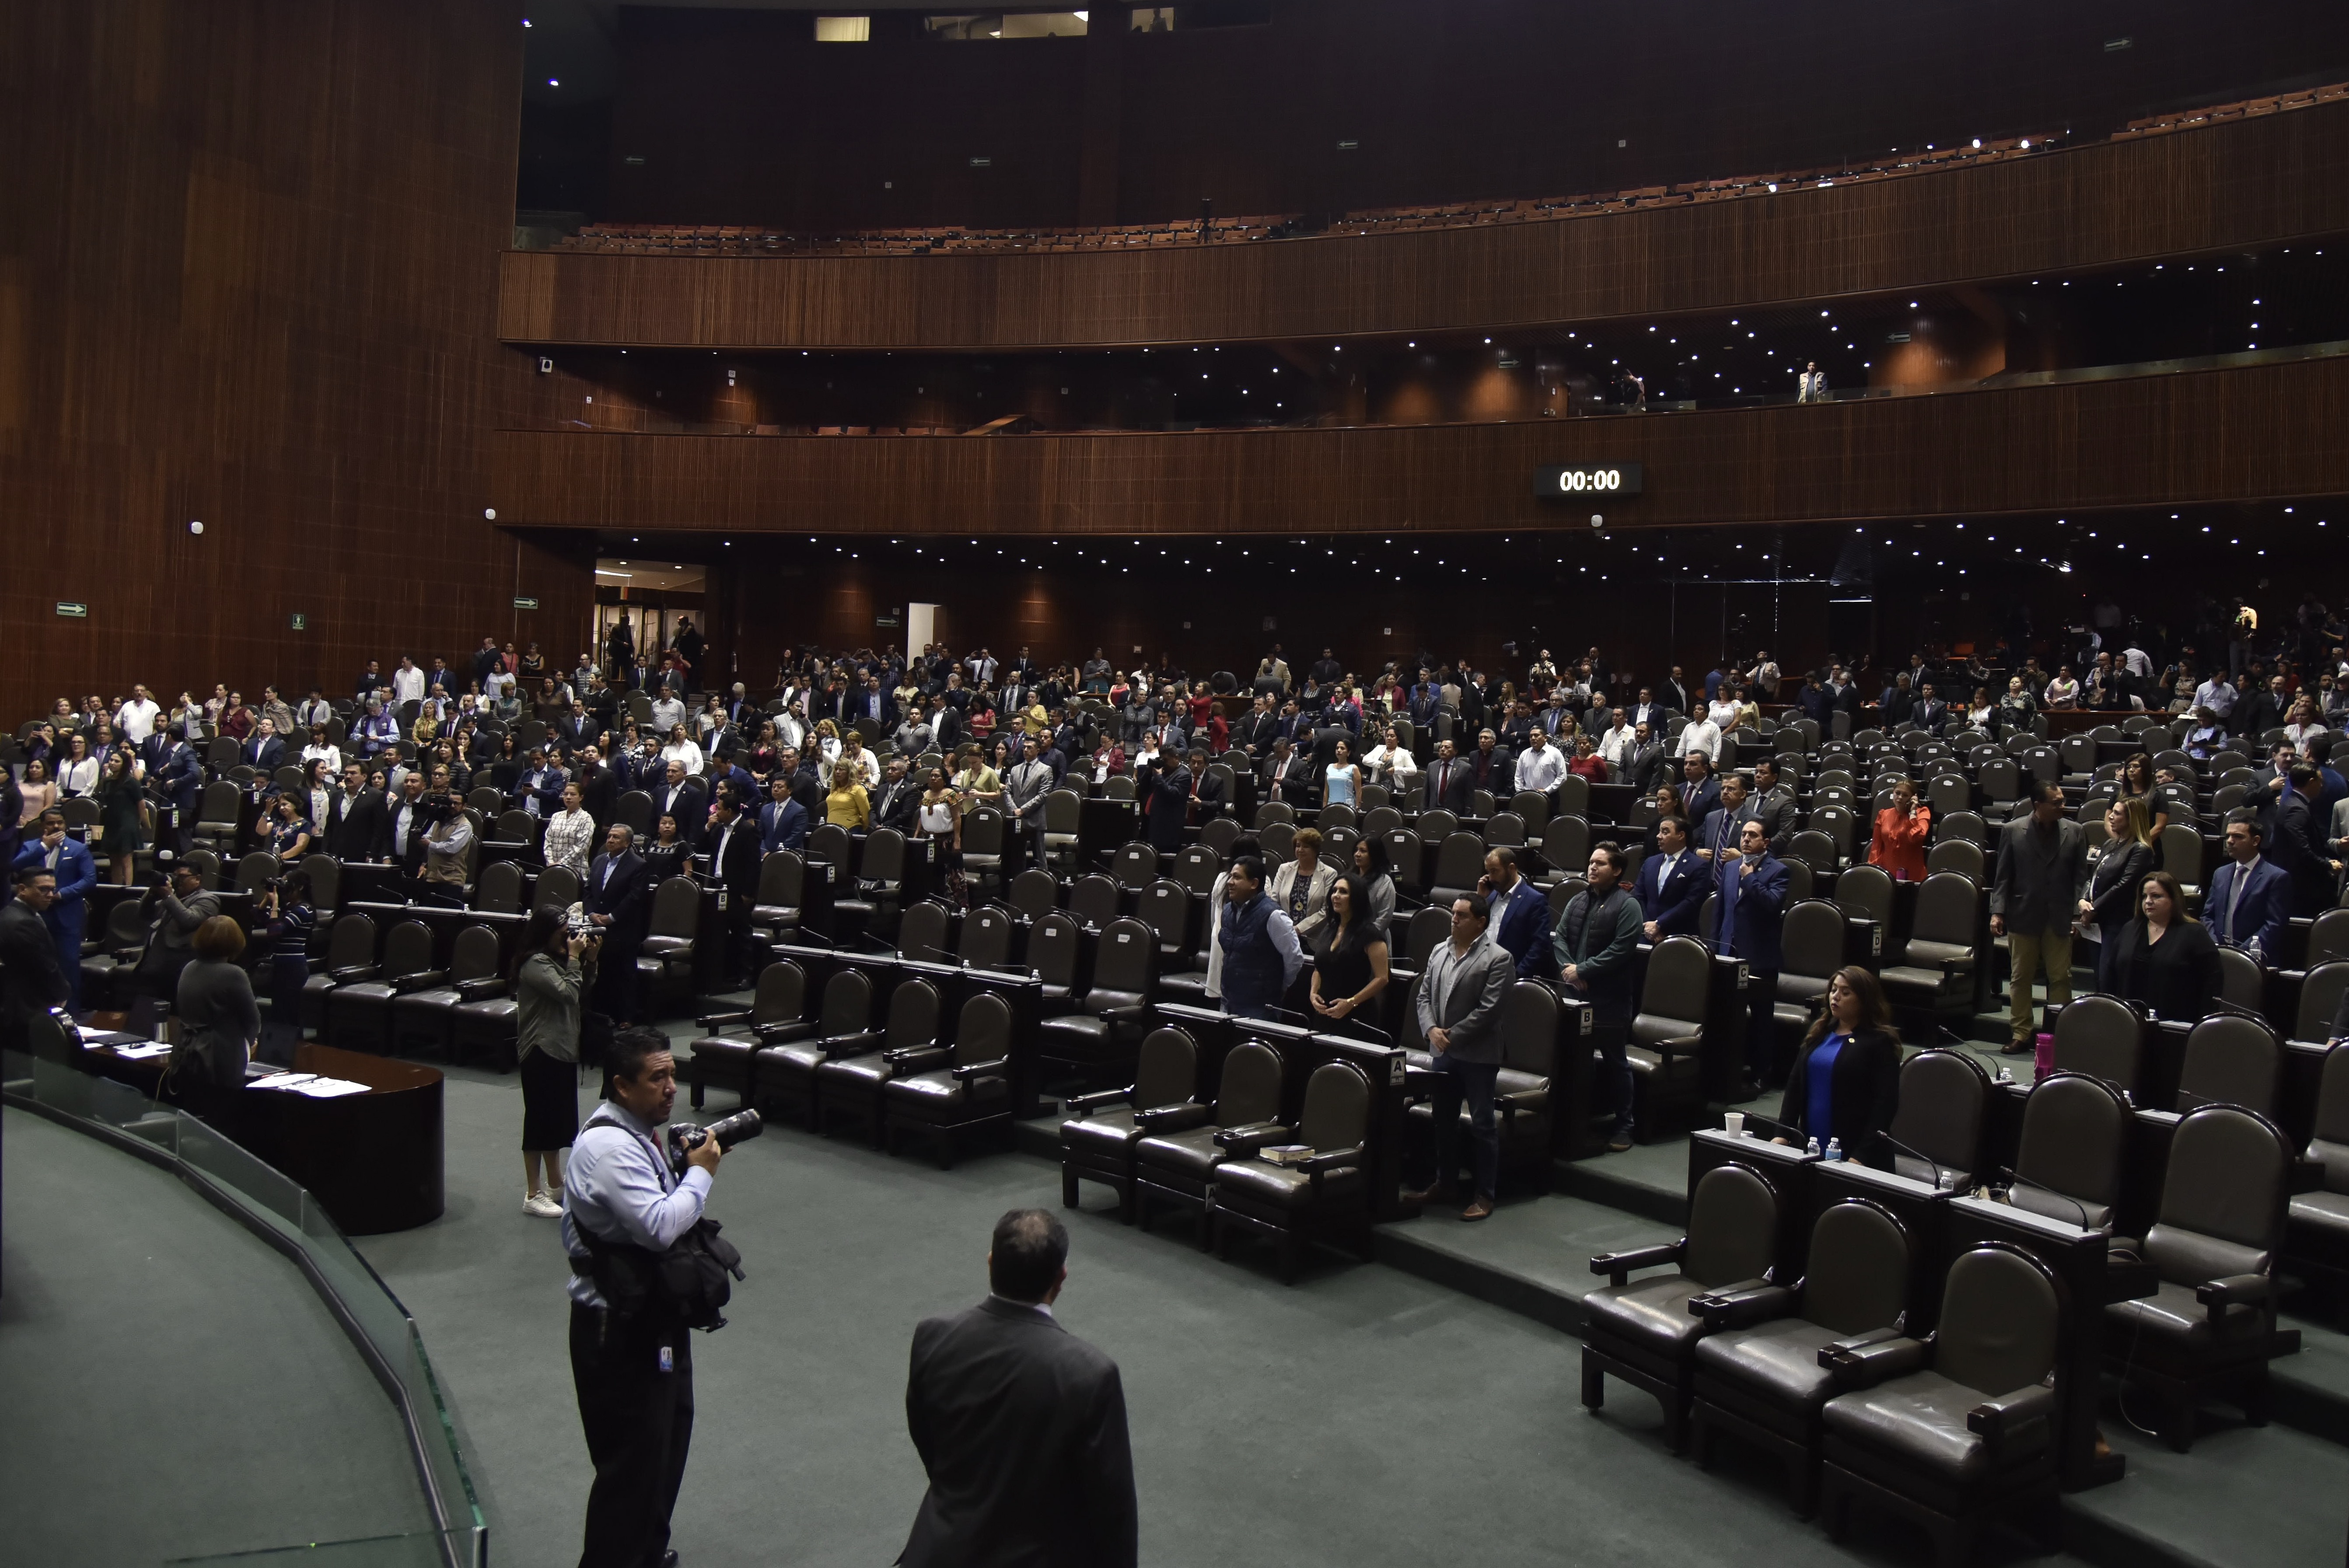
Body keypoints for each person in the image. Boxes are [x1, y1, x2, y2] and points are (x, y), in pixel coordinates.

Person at [561, 1027, 724, 1568]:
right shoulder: (608, 1147)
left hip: (653, 1316)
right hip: (615, 1332)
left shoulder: (640, 1131)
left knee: (665, 1449)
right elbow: (658, 1226)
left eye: (672, 1074)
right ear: (621, 1086)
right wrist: (699, 1177)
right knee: (629, 1468)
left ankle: (646, 1553)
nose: (671, 1087)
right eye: (658, 1078)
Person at [899, 1208, 1137, 1568]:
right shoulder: (1089, 1375)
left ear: (991, 1262)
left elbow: (929, 1441)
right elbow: (1111, 1510)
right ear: (1060, 1278)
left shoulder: (933, 1336)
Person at [1405, 893, 1516, 1218]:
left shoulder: (1499, 958)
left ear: (1481, 922)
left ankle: (1485, 1194)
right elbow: (1424, 995)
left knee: (1483, 1124)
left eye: (1462, 915)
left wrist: (1449, 1036)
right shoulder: (1440, 950)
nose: (1454, 919)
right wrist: (1431, 1031)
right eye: (1453, 913)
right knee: (1443, 1121)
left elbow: (1490, 1010)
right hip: (1442, 1051)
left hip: (1478, 1055)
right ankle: (1446, 1183)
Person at [1554, 843, 1643, 1151]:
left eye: (1601, 863)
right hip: (1574, 996)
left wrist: (1584, 971)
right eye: (1591, 862)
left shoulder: (1628, 905)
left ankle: (1625, 1125)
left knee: (1616, 1061)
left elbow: (1622, 949)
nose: (1593, 867)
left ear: (1617, 870)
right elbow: (1561, 936)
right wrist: (1570, 970)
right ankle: (1581, 1121)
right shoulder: (1578, 899)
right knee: (1577, 1061)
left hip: (1609, 998)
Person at [1990, 781, 2088, 1054]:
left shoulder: (2076, 832)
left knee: (2061, 977)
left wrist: (2078, 915)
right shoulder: (2012, 831)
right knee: (2021, 977)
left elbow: (2081, 879)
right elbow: (2003, 877)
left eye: (2063, 801)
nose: (2062, 806)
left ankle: (2058, 1034)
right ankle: (2021, 1033)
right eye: (2056, 803)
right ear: (2038, 806)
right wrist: (1997, 912)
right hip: (2024, 914)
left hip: (2060, 915)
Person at [1772, 968, 1901, 1166]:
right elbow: (1795, 1085)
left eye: (1846, 993)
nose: (1836, 997)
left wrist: (1861, 1156)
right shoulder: (1820, 1033)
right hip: (1813, 1142)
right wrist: (1783, 1134)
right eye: (1834, 990)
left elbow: (1885, 1106)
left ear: (1864, 999)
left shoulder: (1879, 1042)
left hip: (1857, 1155)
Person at [516, 908, 589, 1217]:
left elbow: (582, 990)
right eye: (563, 930)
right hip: (540, 1049)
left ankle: (556, 1183)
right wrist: (574, 958)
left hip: (562, 1047)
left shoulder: (558, 961)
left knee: (557, 1121)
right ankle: (533, 1194)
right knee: (538, 1122)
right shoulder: (535, 963)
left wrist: (591, 961)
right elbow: (567, 994)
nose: (569, 934)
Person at [1715, 817, 1791, 1087]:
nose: (1746, 839)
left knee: (1760, 1020)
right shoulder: (1731, 867)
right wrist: (1716, 949)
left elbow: (1772, 904)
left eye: (1753, 835)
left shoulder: (1779, 871)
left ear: (1766, 842)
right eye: (1744, 834)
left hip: (1760, 958)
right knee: (1725, 1016)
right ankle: (1726, 1070)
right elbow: (1722, 911)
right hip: (1728, 953)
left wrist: (1750, 880)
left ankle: (1761, 1074)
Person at [2098, 871, 2223, 1023]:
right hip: (2128, 1022)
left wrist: (2202, 1023)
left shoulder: (2194, 933)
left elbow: (2213, 981)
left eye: (2156, 896)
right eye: (2145, 896)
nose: (2148, 901)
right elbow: (2111, 976)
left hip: (2176, 1024)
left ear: (2174, 899)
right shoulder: (2130, 929)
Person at [12, 809, 98, 1012]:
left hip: (65, 915)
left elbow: (89, 880)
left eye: (60, 823)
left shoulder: (78, 849)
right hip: (35, 915)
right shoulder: (32, 847)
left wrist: (60, 894)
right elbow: (15, 867)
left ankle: (72, 1014)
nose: (56, 827)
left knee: (68, 965)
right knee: (35, 964)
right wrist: (44, 847)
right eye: (51, 823)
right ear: (43, 826)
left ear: (65, 824)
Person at [169, 915, 261, 1103]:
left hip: (186, 1053)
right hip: (220, 1057)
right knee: (223, 1115)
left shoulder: (188, 968)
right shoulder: (234, 973)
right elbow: (252, 1020)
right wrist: (250, 1044)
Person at [1215, 856, 1306, 1020]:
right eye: (1231, 876)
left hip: (1260, 1007)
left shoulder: (1274, 915)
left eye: (1237, 877)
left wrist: (1279, 986)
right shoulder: (1228, 911)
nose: (1230, 882)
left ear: (1254, 884)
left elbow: (1295, 958)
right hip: (1229, 1001)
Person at [2205, 808, 2291, 963]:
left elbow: (2274, 924)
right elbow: (2208, 916)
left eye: (2238, 837)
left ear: (2255, 841)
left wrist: (2241, 954)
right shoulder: (2220, 874)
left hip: (2254, 960)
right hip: (2218, 956)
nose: (2230, 841)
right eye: (2228, 836)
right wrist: (2215, 946)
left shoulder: (2276, 877)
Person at [1309, 872, 1391, 1035]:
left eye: (1343, 892)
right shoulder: (1329, 929)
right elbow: (1320, 968)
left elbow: (1382, 978)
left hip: (1357, 1017)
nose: (1336, 896)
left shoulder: (1370, 934)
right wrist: (1313, 993)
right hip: (1325, 1014)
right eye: (1334, 891)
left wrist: (1351, 1003)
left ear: (1356, 898)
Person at [585, 824, 650, 1023]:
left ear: (628, 843)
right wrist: (591, 913)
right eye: (610, 836)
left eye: (616, 838)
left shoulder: (638, 864)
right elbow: (588, 891)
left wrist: (612, 917)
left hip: (624, 929)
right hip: (598, 926)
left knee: (624, 975)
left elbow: (635, 896)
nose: (611, 840)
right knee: (601, 973)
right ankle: (602, 1015)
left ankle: (626, 1017)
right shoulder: (598, 861)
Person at [1, 865, 69, 1053]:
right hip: (26, 1007)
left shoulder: (12, 913)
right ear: (23, 890)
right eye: (43, 889)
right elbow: (44, 966)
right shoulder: (23, 922)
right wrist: (62, 993)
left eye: (52, 889)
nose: (50, 895)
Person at [2079, 798, 2157, 961]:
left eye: (2117, 813)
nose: (2110, 817)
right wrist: (2083, 900)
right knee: (2099, 974)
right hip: (2098, 919)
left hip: (2118, 921)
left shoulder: (2141, 850)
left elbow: (2124, 885)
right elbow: (2092, 877)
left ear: (2132, 819)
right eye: (2112, 812)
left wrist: (2093, 909)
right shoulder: (2109, 844)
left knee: (2109, 974)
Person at [135, 860, 221, 1006]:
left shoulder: (207, 899)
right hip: (155, 963)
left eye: (182, 877)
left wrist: (169, 896)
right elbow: (145, 914)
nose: (177, 881)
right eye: (174, 876)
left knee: (172, 1015)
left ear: (197, 879)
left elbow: (189, 920)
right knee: (147, 1014)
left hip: (180, 968)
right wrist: (152, 894)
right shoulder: (171, 897)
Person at [256, 873, 315, 1065]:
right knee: (278, 1014)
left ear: (299, 888)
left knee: (290, 1015)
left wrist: (275, 905)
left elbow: (274, 932)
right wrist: (268, 898)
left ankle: (297, 1058)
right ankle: (278, 1057)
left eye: (288, 883)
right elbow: (256, 916)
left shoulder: (304, 910)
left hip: (293, 968)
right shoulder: (289, 908)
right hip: (280, 967)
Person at [1478, 846, 1550, 978]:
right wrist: (1481, 901)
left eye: (1494, 871)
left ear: (1511, 868)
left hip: (1509, 977)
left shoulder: (1534, 900)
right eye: (1488, 872)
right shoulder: (1491, 896)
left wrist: (1517, 974)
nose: (1491, 878)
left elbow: (1540, 946)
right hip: (1482, 971)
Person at [1268, 827, 1336, 956]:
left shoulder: (1329, 874)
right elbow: (1274, 901)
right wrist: (1285, 927)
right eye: (1298, 846)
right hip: (1284, 936)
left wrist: (1299, 929)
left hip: (1314, 940)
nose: (1300, 850)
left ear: (1316, 850)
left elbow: (1327, 910)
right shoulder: (1284, 869)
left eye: (1306, 847)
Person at [1636, 814, 1706, 940]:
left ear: (1681, 836)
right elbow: (1638, 895)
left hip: (1680, 936)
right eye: (1659, 832)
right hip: (1646, 933)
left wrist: (1659, 924)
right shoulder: (1650, 863)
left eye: (1665, 832)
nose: (1659, 836)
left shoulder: (1699, 866)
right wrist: (1648, 926)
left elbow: (1691, 902)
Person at [93, 749, 150, 885]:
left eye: (117, 761)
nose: (112, 763)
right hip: (111, 822)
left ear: (124, 764)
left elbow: (141, 805)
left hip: (127, 823)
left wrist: (143, 824)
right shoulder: (106, 781)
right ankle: (116, 888)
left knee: (126, 860)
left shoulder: (131, 782)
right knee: (114, 861)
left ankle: (128, 889)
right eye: (111, 760)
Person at [1868, 776, 1931, 881]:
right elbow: (1876, 847)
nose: (1900, 797)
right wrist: (1873, 870)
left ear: (1913, 798)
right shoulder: (1883, 814)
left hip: (1913, 874)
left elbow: (1916, 837)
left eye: (1905, 795)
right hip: (1887, 871)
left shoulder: (1922, 813)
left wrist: (1913, 813)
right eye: (1898, 793)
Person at [544, 781, 598, 877]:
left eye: (573, 794)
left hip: (575, 869)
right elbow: (548, 841)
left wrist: (562, 863)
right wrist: (551, 862)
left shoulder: (586, 818)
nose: (568, 797)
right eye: (566, 794)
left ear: (581, 798)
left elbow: (581, 847)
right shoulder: (556, 816)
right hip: (552, 867)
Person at [1350, 835, 1397, 930]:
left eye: (1363, 851)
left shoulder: (1384, 882)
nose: (1357, 854)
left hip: (1373, 938)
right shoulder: (1349, 877)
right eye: (1356, 850)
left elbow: (1384, 919)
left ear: (1374, 855)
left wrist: (1363, 936)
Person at [825, 760, 871, 830]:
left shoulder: (857, 789)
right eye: (836, 769)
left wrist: (864, 831)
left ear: (849, 772)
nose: (837, 772)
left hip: (851, 830)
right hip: (831, 829)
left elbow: (866, 814)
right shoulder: (834, 789)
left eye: (841, 770)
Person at [1323, 737, 1361, 809]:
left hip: (1348, 808)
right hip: (1331, 807)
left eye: (1342, 748)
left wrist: (1357, 808)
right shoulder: (1329, 767)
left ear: (1349, 753)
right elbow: (1326, 791)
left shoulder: (1353, 768)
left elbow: (1359, 791)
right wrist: (1324, 807)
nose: (1339, 750)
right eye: (1337, 748)